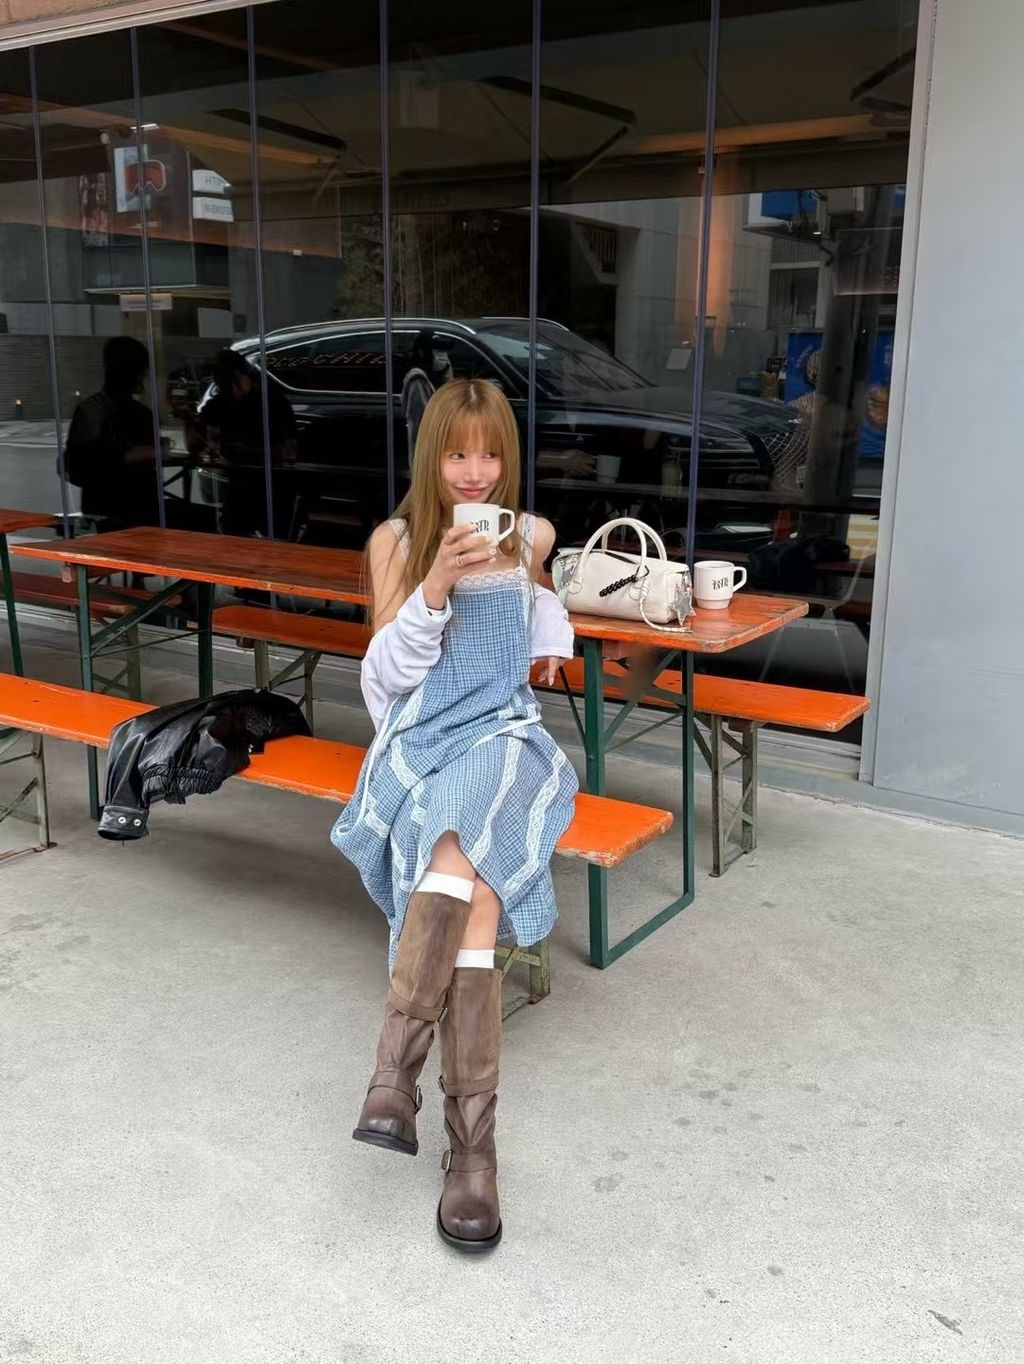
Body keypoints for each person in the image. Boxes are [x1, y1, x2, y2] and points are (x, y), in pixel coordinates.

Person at [332, 378, 578, 1253]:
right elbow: (384, 680)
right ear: (430, 456)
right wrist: (434, 584)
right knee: (466, 877)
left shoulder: (531, 534)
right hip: (422, 739)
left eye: (491, 453)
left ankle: (391, 1081)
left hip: (506, 734)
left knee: (457, 843)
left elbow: (542, 626)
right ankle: (472, 1155)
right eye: (457, 453)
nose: (475, 472)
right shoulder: (397, 541)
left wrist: (546, 619)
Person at [188, 349, 297, 537]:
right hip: (239, 484)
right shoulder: (221, 403)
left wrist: (249, 450)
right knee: (234, 530)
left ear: (243, 377)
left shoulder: (272, 403)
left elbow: (288, 452)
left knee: (269, 534)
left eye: (227, 381)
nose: (225, 388)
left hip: (272, 484)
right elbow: (196, 445)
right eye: (220, 382)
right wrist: (191, 422)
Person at [64, 336, 165, 529]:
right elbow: (89, 462)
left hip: (103, 507)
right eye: (142, 372)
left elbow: (79, 468)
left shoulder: (92, 409)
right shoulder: (138, 413)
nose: (144, 378)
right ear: (134, 373)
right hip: (128, 509)